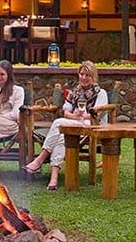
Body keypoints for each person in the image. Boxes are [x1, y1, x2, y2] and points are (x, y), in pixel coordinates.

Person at [22, 61, 108, 190]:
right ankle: (54, 178)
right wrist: (75, 116)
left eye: (87, 75)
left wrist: (83, 116)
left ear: (93, 77)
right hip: (74, 123)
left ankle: (40, 159)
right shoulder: (75, 93)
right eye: (82, 74)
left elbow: (98, 114)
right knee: (62, 137)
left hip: (92, 126)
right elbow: (66, 111)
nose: (84, 78)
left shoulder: (101, 93)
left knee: (58, 123)